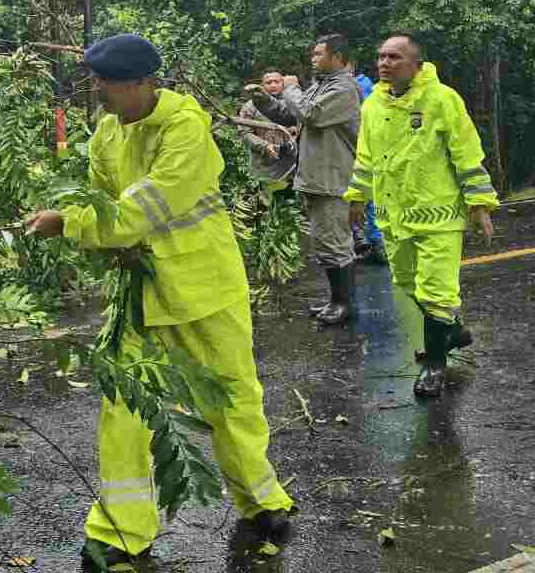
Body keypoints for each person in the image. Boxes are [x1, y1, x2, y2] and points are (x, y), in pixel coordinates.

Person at [25, 34, 294, 572]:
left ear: (146, 83)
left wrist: (70, 224)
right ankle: (121, 532)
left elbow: (139, 210)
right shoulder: (106, 132)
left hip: (203, 288)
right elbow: (99, 199)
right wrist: (68, 212)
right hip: (141, 293)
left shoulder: (185, 127)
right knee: (122, 409)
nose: (98, 89)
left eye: (109, 82)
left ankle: (262, 501)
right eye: (97, 80)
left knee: (230, 399)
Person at [344, 34, 498, 398]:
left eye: (394, 57)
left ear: (415, 63)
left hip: (439, 215)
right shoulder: (372, 106)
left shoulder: (442, 100)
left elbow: (466, 154)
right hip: (393, 216)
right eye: (381, 56)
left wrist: (479, 204)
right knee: (408, 281)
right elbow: (365, 157)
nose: (384, 63)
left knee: (436, 290)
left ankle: (435, 364)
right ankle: (453, 331)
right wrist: (356, 197)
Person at [248, 34, 361, 325]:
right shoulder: (321, 85)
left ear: (337, 56)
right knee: (324, 241)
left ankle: (345, 304)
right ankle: (336, 300)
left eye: (318, 53)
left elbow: (311, 115)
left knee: (335, 241)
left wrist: (292, 88)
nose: (313, 58)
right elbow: (291, 115)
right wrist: (261, 99)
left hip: (332, 176)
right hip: (314, 176)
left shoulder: (344, 87)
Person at [348, 63, 385, 263]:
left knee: (370, 199)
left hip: (365, 150)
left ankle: (375, 242)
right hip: (356, 150)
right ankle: (366, 240)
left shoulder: (362, 86)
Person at [238, 70, 296, 195]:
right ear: (262, 86)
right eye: (268, 82)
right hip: (264, 163)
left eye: (277, 81)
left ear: (283, 83)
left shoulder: (294, 103)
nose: (273, 85)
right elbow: (244, 132)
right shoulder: (250, 106)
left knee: (290, 203)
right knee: (265, 200)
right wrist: (264, 146)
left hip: (292, 163)